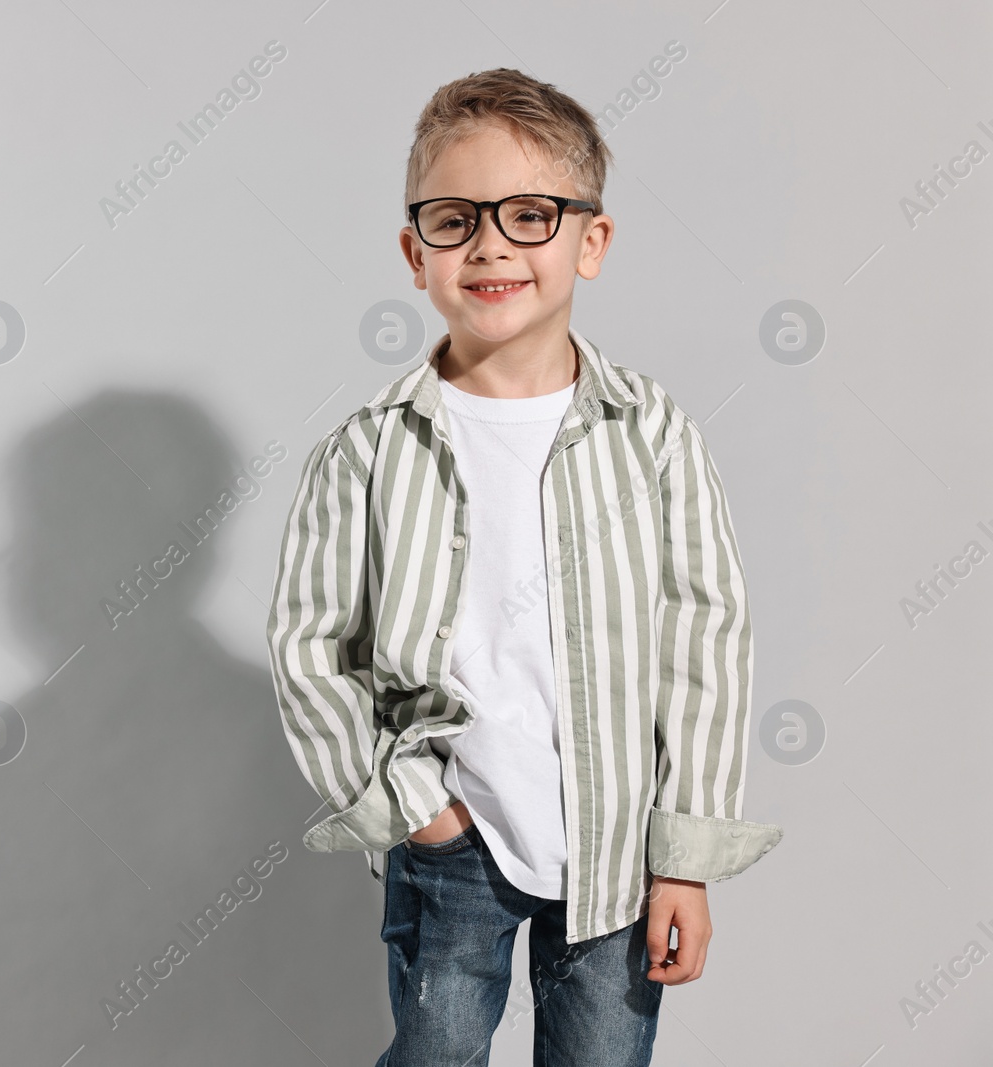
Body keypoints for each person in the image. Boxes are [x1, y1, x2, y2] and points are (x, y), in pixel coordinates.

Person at [264, 68, 784, 1066]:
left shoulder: (654, 434)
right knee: (438, 1055)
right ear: (415, 254)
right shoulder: (368, 449)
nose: (492, 243)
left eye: (530, 214)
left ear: (591, 240)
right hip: (450, 844)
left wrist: (685, 857)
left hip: (617, 851)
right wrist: (417, 807)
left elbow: (704, 640)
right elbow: (309, 648)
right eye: (455, 219)